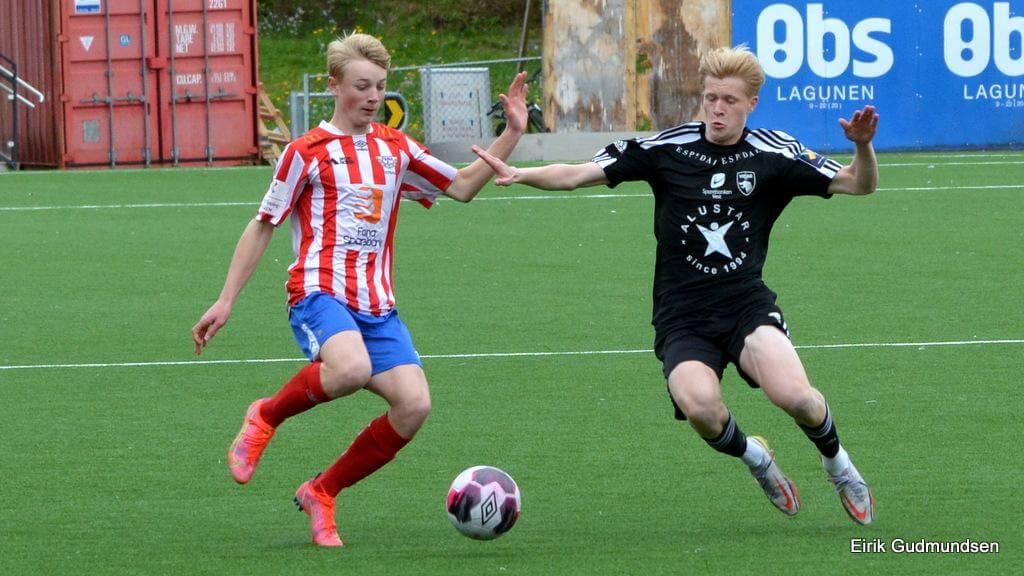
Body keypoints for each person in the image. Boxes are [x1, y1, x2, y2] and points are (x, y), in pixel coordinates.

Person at [473, 45, 877, 525]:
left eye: (729, 100)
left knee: (796, 398)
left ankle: (838, 465)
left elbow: (859, 184)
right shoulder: (668, 148)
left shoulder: (774, 152)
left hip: (746, 307)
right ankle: (756, 458)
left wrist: (862, 146)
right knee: (702, 409)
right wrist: (520, 172)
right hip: (682, 316)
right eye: (710, 98)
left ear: (751, 104)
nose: (717, 109)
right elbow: (577, 174)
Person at [191, 33, 528, 547]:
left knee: (414, 406)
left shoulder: (396, 148)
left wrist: (512, 132)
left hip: (377, 304)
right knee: (349, 369)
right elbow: (263, 224)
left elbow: (462, 186)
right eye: (362, 86)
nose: (373, 97)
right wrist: (226, 299)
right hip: (318, 291)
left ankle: (322, 491)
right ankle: (265, 414)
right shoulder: (306, 152)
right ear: (334, 86)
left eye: (380, 87)